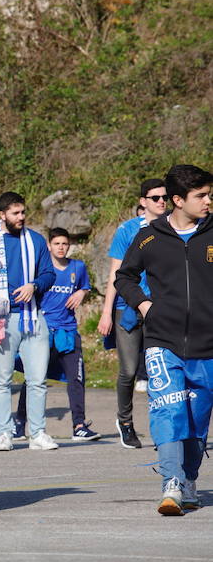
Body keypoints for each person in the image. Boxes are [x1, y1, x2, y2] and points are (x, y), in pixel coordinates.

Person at [115, 163, 213, 515]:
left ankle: (188, 479)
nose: (208, 202)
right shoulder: (149, 236)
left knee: (196, 420)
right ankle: (170, 482)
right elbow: (124, 277)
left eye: (208, 195)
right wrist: (142, 304)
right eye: (201, 196)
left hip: (207, 347)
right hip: (162, 340)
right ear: (177, 200)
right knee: (168, 408)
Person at [98, 179, 169, 448]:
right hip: (126, 308)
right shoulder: (127, 230)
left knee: (160, 370)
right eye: (155, 198)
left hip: (160, 309)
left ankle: (163, 426)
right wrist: (106, 313)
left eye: (165, 196)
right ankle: (125, 422)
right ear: (143, 202)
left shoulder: (172, 228)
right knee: (129, 371)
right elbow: (116, 275)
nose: (161, 201)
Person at [0, 192, 57, 452]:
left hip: (33, 316)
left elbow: (49, 274)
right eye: (15, 213)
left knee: (37, 380)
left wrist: (34, 285)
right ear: (2, 215)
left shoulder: (36, 240)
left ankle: (37, 433)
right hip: (1, 319)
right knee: (2, 379)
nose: (21, 217)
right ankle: (4, 433)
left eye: (23, 212)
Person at [42, 227, 98, 441]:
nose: (61, 247)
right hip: (45, 330)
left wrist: (82, 292)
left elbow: (85, 286)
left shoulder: (77, 267)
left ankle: (79, 425)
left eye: (65, 244)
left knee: (76, 378)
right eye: (57, 244)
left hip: (68, 331)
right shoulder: (43, 269)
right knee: (35, 379)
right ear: (49, 245)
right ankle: (20, 423)